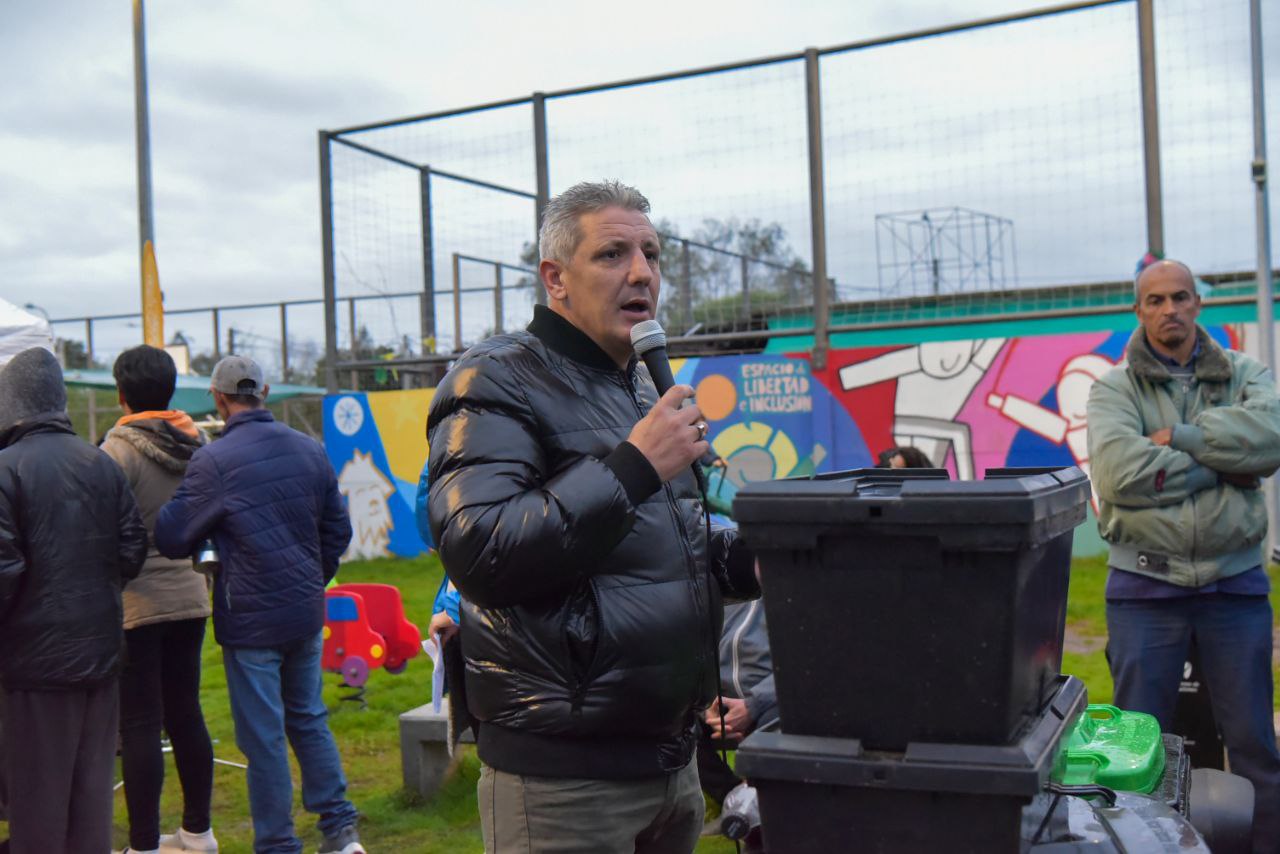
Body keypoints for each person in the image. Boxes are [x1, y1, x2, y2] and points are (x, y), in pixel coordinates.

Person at [426, 180, 759, 854]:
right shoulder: (494, 379)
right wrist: (635, 466)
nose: (641, 273)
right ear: (556, 278)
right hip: (565, 782)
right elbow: (479, 551)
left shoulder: (640, 384)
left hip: (671, 764)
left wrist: (766, 558)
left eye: (651, 255)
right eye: (612, 254)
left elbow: (667, 554)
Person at [1086, 258, 1280, 853]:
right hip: (1144, 592)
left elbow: (1271, 438)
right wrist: (1227, 465)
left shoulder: (1246, 373)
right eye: (1155, 300)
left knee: (1254, 746)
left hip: (1235, 589)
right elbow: (1118, 475)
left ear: (1197, 303)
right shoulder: (1114, 388)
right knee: (1134, 751)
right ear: (1139, 311)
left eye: (1179, 297)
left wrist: (1185, 438)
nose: (1169, 309)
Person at [154, 355, 364, 854]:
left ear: (218, 398)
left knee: (264, 736)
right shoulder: (309, 449)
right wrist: (311, 577)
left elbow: (172, 534)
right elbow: (338, 530)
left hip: (250, 619)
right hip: (304, 610)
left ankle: (277, 842)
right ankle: (340, 833)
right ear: (264, 393)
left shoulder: (214, 461)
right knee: (308, 717)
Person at [0, 347, 148, 854]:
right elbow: (132, 550)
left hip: (33, 668)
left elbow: (3, 574)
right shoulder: (100, 461)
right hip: (100, 657)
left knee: (38, 806)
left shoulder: (6, 470)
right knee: (90, 802)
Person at [100, 345, 218, 854]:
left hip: (137, 603)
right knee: (186, 711)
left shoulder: (115, 452)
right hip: (191, 592)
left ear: (121, 393)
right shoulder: (200, 443)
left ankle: (144, 844)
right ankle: (198, 832)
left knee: (141, 723)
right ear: (171, 390)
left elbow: (106, 532)